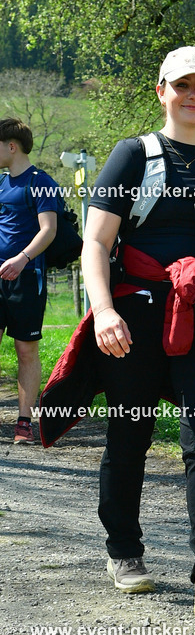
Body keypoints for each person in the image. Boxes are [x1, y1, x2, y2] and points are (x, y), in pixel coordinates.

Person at [60, 46, 195, 618]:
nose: (194, 95)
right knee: (130, 436)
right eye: (183, 85)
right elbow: (96, 244)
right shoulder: (132, 156)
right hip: (134, 315)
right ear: (162, 91)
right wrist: (103, 311)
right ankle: (123, 551)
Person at [0, 118, 58, 443]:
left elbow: (49, 230)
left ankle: (24, 422)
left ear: (11, 146)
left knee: (25, 350)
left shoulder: (41, 182)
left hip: (26, 278)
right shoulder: (0, 183)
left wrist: (22, 259)